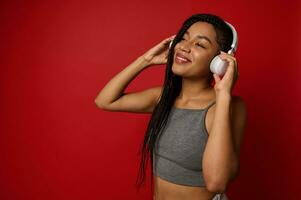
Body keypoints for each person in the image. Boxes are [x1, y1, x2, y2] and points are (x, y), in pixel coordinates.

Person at [95, 13, 247, 200]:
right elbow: (104, 101)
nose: (184, 47)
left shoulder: (230, 106)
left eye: (199, 44)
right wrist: (146, 60)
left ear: (220, 61)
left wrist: (223, 95)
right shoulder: (162, 98)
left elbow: (217, 182)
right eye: (183, 38)